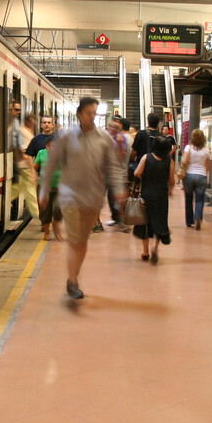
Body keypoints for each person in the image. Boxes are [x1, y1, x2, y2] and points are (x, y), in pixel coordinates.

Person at [39, 97, 127, 300]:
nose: (92, 117)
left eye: (94, 113)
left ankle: (73, 277)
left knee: (82, 242)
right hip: (70, 197)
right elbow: (51, 164)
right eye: (88, 113)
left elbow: (112, 166)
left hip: (93, 197)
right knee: (75, 240)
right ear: (79, 114)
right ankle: (72, 281)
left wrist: (119, 189)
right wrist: (44, 191)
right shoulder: (67, 137)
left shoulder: (104, 138)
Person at [133, 135, 174, 263]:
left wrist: (146, 176)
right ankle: (155, 247)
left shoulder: (147, 158)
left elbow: (136, 173)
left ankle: (145, 251)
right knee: (159, 222)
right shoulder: (169, 161)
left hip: (147, 194)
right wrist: (170, 190)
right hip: (161, 195)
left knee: (145, 222)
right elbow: (172, 181)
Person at [9, 105, 39, 220]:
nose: (34, 123)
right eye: (32, 121)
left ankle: (7, 199)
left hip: (23, 166)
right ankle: (38, 215)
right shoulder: (24, 132)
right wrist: (33, 169)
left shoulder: (25, 131)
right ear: (28, 121)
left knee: (20, 187)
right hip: (25, 165)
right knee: (31, 190)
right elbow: (26, 153)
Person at [104, 116, 132, 231]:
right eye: (112, 127)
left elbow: (122, 156)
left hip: (116, 171)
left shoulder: (122, 139)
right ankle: (95, 223)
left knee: (119, 197)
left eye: (116, 127)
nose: (113, 129)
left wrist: (119, 144)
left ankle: (121, 221)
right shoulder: (104, 138)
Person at [181, 128, 211, 230]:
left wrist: (188, 164)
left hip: (189, 176)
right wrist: (204, 175)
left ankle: (189, 221)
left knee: (188, 199)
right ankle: (198, 217)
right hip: (202, 176)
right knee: (200, 200)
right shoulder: (206, 150)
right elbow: (208, 166)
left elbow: (184, 161)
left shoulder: (188, 148)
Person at [34, 135, 63, 240]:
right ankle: (46, 232)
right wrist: (34, 175)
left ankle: (57, 230)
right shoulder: (41, 153)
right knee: (45, 211)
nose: (52, 148)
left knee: (58, 209)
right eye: (49, 145)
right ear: (46, 146)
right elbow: (35, 167)